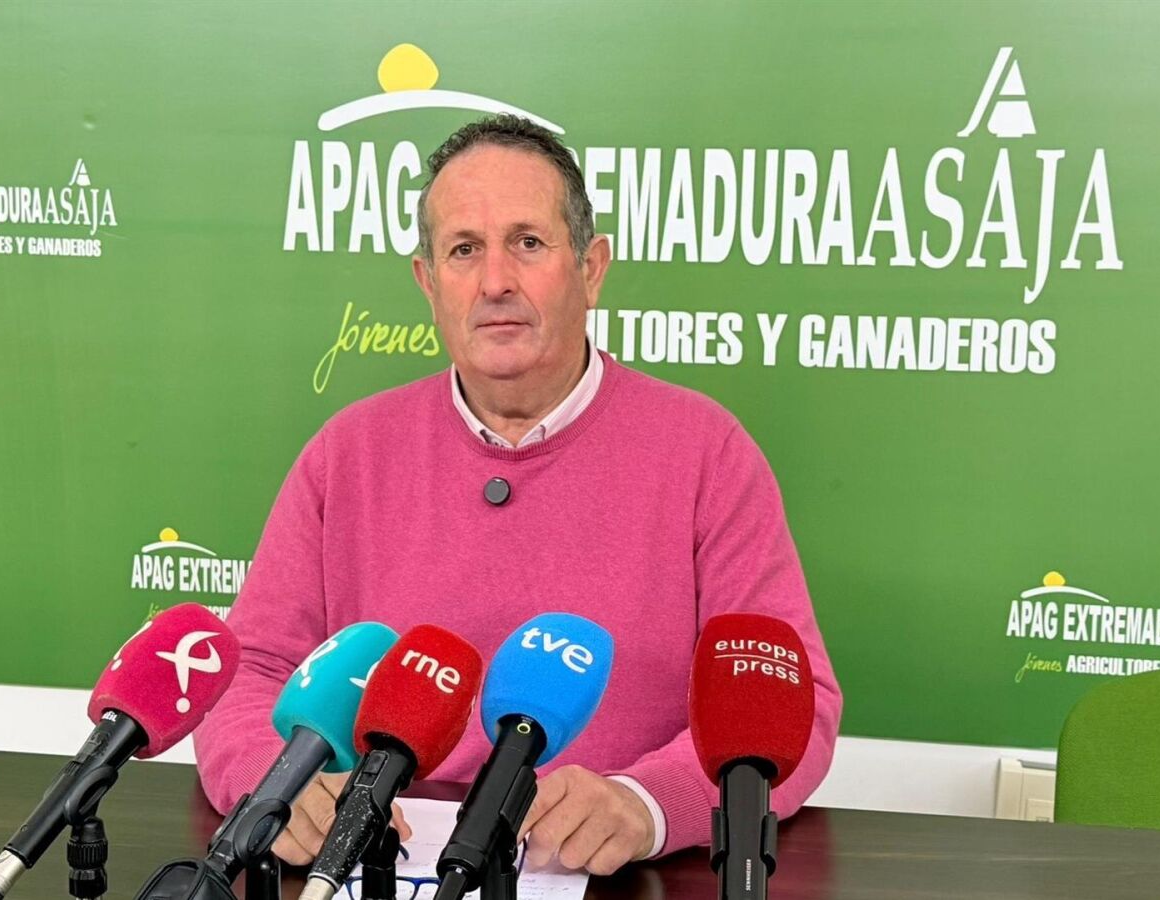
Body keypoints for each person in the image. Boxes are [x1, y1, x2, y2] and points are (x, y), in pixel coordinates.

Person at [194, 114, 841, 876]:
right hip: (378, 867)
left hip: (612, 879)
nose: (495, 281)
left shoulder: (708, 453)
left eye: (528, 243)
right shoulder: (348, 453)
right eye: (464, 250)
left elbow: (790, 706)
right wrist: (280, 784)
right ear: (428, 282)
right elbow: (248, 673)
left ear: (591, 269)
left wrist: (647, 804)